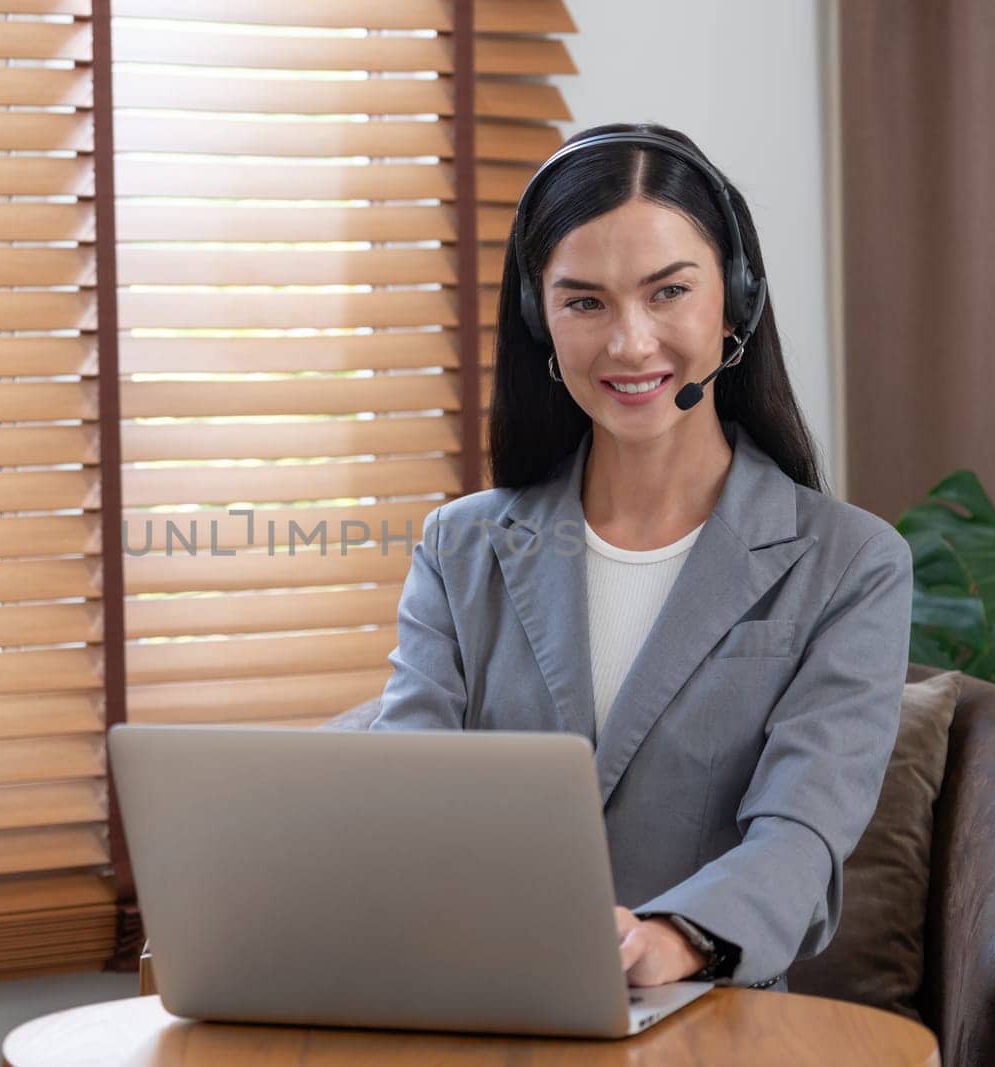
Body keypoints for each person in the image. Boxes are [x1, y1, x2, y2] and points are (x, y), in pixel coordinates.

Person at [368, 122, 914, 994]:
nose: (629, 344)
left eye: (667, 293)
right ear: (537, 318)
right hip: (481, 1002)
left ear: (734, 301)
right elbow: (405, 794)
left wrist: (664, 940)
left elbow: (801, 832)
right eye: (584, 301)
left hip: (704, 1019)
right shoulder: (459, 548)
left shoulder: (849, 563)